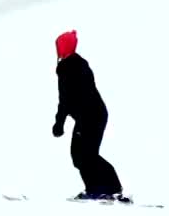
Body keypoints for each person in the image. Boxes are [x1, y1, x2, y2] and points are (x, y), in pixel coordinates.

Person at [53, 30, 125, 201]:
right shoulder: (77, 64)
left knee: (83, 155)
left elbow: (65, 100)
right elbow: (69, 99)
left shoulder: (68, 67)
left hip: (90, 116)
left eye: (58, 46)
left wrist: (59, 124)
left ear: (63, 47)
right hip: (93, 114)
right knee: (83, 155)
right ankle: (101, 189)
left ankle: (106, 188)